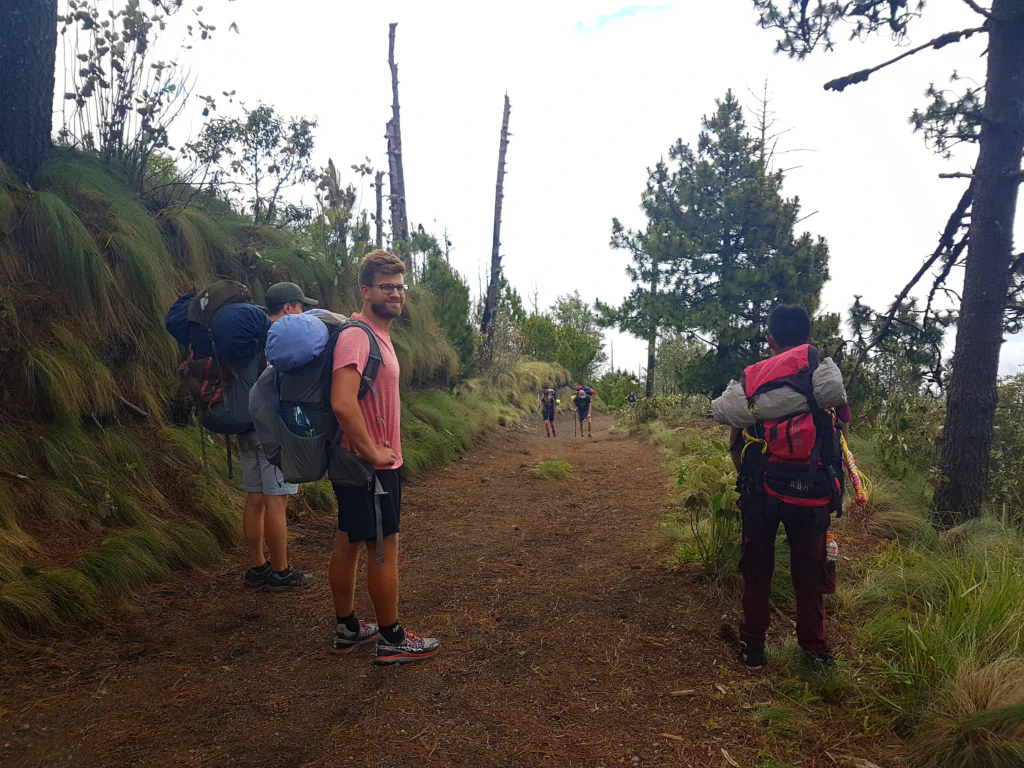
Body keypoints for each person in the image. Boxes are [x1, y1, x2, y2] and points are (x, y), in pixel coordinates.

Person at [327, 250, 440, 664]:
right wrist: (372, 449)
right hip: (369, 467)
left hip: (361, 465)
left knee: (350, 541)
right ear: (365, 291)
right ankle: (392, 638)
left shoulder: (378, 335)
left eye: (399, 287)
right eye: (385, 287)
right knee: (383, 547)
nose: (395, 294)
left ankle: (348, 628)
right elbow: (342, 401)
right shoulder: (358, 335)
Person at [729, 304, 850, 668]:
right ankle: (815, 651)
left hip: (762, 489)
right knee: (810, 571)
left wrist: (745, 475)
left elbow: (735, 440)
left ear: (770, 341)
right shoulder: (819, 373)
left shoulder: (752, 377)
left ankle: (753, 649)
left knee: (758, 567)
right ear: (809, 340)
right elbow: (842, 427)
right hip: (813, 490)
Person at [234, 282, 319, 591]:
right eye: (300, 306)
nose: (303, 311)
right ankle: (281, 572)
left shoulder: (250, 336)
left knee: (255, 498)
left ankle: (257, 567)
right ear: (287, 308)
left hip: (243, 424)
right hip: (270, 429)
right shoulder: (282, 339)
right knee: (276, 502)